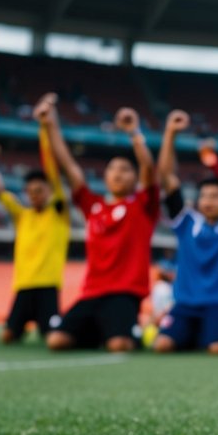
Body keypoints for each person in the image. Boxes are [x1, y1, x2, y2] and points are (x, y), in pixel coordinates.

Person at [46, 107, 158, 352]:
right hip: (92, 292)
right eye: (113, 169)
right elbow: (67, 164)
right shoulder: (93, 205)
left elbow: (149, 170)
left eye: (125, 169)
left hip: (124, 293)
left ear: (134, 178)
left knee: (119, 345)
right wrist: (51, 124)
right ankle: (103, 331)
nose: (118, 173)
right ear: (105, 176)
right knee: (57, 341)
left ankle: (130, 334)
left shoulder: (142, 205)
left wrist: (134, 132)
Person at [151, 110, 218, 353]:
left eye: (215, 196)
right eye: (203, 196)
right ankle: (190, 336)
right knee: (162, 345)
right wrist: (170, 132)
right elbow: (166, 176)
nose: (208, 200)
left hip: (217, 305)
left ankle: (211, 336)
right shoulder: (185, 221)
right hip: (183, 305)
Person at [0, 94, 71, 344]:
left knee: (53, 337)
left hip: (47, 287)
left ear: (48, 191)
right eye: (30, 192)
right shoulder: (23, 215)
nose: (34, 196)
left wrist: (45, 128)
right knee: (8, 336)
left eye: (39, 191)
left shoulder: (58, 212)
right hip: (23, 286)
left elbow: (53, 171)